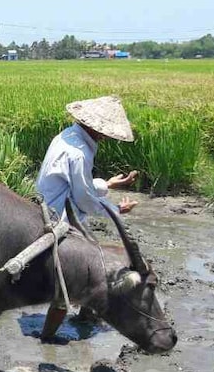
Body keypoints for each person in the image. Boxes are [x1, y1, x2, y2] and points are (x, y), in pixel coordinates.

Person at [35, 95, 139, 341]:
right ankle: (47, 338)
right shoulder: (79, 152)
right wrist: (114, 210)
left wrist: (108, 184)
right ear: (93, 127)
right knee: (71, 276)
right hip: (57, 218)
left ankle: (86, 315)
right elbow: (84, 199)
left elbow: (74, 185)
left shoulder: (66, 137)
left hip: (51, 206)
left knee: (91, 262)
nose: (105, 137)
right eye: (103, 132)